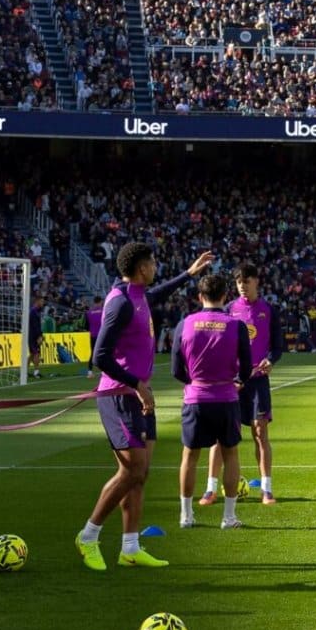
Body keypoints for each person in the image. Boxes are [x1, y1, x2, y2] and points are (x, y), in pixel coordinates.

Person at [78, 241, 208, 572]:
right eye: (152, 262)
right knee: (131, 470)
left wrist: (187, 275)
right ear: (141, 268)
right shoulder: (120, 302)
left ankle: (130, 548)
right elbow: (101, 355)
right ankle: (89, 535)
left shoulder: (138, 295)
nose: (155, 267)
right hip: (119, 396)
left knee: (141, 473)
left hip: (138, 394)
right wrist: (136, 384)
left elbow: (157, 295)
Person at [175, 274, 250, 531]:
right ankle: (228, 518)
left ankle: (186, 515)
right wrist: (237, 380)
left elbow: (176, 369)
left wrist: (194, 382)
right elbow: (247, 368)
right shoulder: (235, 325)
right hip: (226, 397)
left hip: (196, 397)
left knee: (190, 456)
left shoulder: (185, 324)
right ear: (225, 296)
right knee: (230, 454)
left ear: (200, 297)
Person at [228, 263, 284, 504]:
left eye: (246, 281)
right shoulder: (229, 309)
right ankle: (214, 488)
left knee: (260, 433)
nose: (243, 285)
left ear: (256, 282)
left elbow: (278, 345)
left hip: (259, 381)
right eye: (239, 282)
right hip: (234, 382)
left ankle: (267, 489)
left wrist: (271, 359)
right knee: (228, 436)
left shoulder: (268, 310)